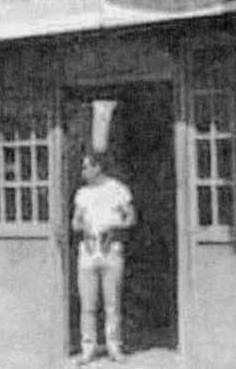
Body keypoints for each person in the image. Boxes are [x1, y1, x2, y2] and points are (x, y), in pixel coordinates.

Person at [72, 151, 136, 364]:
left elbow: (131, 219)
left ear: (97, 167)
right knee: (88, 304)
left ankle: (114, 347)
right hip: (89, 251)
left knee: (112, 302)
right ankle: (88, 348)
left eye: (86, 167)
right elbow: (75, 222)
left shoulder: (117, 190)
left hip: (111, 250)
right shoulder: (82, 193)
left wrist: (113, 227)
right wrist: (85, 229)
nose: (83, 172)